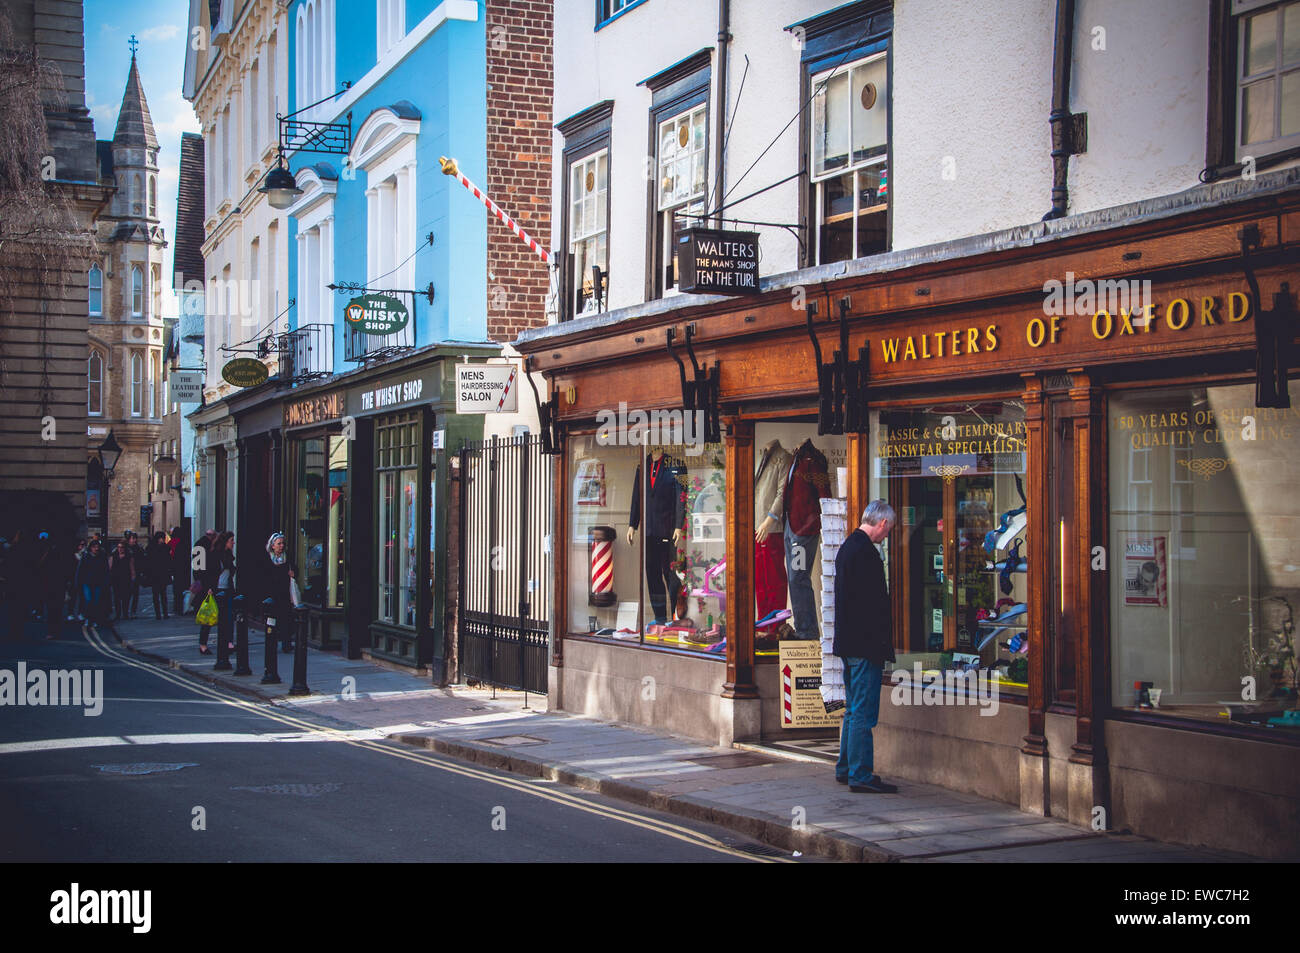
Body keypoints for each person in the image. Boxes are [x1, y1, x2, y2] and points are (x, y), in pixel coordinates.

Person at [833, 499, 898, 794]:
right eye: (889, 529)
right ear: (882, 523)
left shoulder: (848, 547)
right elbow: (874, 606)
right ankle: (860, 773)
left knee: (851, 708)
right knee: (863, 711)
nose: (888, 535)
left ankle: (846, 768)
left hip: (848, 643)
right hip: (865, 645)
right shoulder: (867, 554)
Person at [264, 533, 298, 652]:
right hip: (271, 594)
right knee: (272, 620)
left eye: (283, 543)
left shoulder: (287, 558)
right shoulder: (267, 558)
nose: (281, 546)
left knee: (286, 619)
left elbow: (294, 569)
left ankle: (286, 644)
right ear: (272, 545)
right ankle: (271, 642)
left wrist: (293, 573)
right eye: (279, 543)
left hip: (284, 593)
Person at [75, 538, 110, 627]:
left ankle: (94, 619)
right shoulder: (85, 557)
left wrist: (106, 582)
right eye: (94, 547)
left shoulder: (102, 557)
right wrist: (78, 582)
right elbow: (80, 571)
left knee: (96, 602)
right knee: (88, 600)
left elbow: (106, 571)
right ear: (90, 548)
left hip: (98, 583)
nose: (96, 549)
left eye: (97, 547)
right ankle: (87, 618)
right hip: (87, 583)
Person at [146, 531, 171, 620]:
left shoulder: (163, 547)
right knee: (157, 595)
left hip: (160, 573)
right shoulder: (155, 548)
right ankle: (159, 614)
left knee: (162, 594)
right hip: (156, 574)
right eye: (161, 538)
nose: (162, 540)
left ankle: (164, 613)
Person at [109, 540, 135, 621]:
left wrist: (133, 576)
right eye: (118, 547)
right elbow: (110, 567)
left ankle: (125, 613)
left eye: (122, 547)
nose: (120, 549)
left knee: (125, 597)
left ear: (125, 548)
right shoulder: (114, 555)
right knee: (117, 597)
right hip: (116, 578)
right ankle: (118, 614)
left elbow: (132, 567)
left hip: (126, 578)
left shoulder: (128, 556)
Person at [168, 525, 189, 616]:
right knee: (182, 588)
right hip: (183, 568)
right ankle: (181, 607)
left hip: (175, 568)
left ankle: (176, 606)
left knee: (176, 589)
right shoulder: (184, 542)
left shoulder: (171, 543)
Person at [125, 531, 146, 617]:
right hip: (126, 574)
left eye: (135, 538)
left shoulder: (138, 549)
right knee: (127, 593)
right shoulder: (125, 549)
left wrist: (142, 571)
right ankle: (125, 611)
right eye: (132, 538)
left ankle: (133, 611)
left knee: (135, 594)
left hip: (137, 573)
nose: (133, 540)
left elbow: (142, 561)